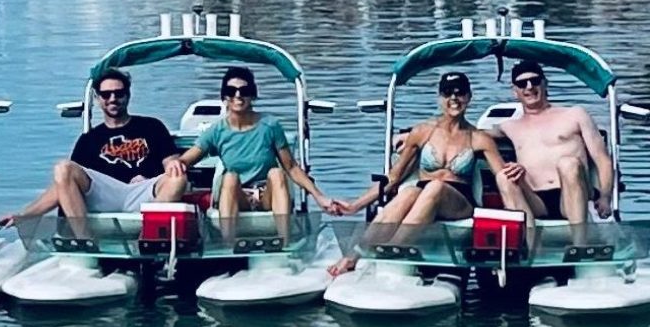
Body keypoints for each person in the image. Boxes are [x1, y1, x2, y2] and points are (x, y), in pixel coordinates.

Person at [328, 72, 508, 275]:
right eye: (448, 93)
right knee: (408, 193)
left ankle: (392, 250)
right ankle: (353, 256)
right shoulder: (422, 131)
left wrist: (518, 179)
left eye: (460, 93)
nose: (454, 99)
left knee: (436, 187)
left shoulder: (479, 138)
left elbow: (503, 176)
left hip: (459, 202)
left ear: (469, 97)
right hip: (422, 194)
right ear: (440, 97)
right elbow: (394, 177)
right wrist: (354, 206)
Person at [0, 68, 186, 228]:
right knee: (63, 168)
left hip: (144, 191)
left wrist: (167, 171)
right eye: (106, 94)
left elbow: (172, 164)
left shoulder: (152, 126)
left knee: (177, 177)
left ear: (128, 95)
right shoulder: (89, 140)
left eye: (119, 93)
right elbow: (63, 185)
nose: (113, 99)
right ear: (98, 98)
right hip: (105, 194)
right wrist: (24, 215)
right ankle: (84, 241)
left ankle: (151, 238)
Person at [168, 67, 337, 226]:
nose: (238, 96)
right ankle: (228, 246)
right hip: (236, 194)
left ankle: (285, 244)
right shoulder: (217, 131)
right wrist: (177, 163)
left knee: (277, 173)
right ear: (224, 97)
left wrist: (319, 197)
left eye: (244, 91)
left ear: (252, 95)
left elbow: (291, 167)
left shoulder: (270, 125)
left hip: (266, 194)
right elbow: (187, 159)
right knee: (230, 177)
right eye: (231, 91)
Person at [494, 60, 614, 229]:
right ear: (515, 91)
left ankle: (580, 245)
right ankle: (528, 248)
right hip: (535, 200)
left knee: (568, 163)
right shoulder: (509, 127)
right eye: (522, 84)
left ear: (545, 83)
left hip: (572, 194)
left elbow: (603, 160)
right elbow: (471, 135)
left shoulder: (575, 115)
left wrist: (605, 197)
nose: (529, 87)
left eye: (534, 81)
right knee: (504, 176)